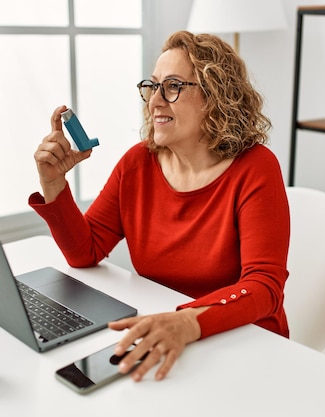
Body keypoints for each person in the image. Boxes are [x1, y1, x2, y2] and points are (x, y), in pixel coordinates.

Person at [31, 31, 290, 382]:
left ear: (215, 97)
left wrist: (187, 320)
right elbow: (84, 251)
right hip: (165, 332)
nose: (154, 101)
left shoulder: (256, 167)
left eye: (172, 86)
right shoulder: (137, 163)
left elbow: (264, 287)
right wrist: (53, 185)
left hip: (245, 342)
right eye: (152, 86)